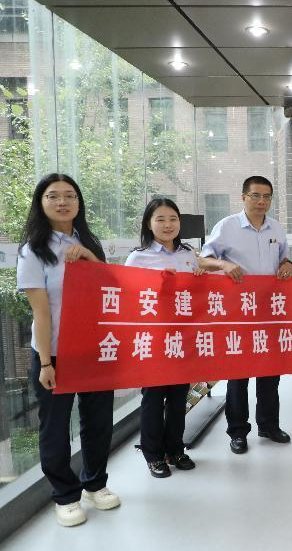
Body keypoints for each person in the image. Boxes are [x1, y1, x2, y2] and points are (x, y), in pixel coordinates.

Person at [17, 174, 121, 527]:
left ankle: (95, 484)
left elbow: (111, 287)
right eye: (53, 196)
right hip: (55, 353)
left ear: (79, 202)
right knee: (56, 427)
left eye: (70, 196)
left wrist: (91, 256)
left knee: (98, 422)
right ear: (41, 203)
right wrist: (46, 362)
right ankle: (65, 495)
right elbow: (41, 313)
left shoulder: (87, 241)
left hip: (94, 348)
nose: (62, 202)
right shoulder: (34, 250)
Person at [199, 176, 292, 454]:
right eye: (256, 196)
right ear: (243, 197)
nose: (261, 201)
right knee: (238, 374)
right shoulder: (227, 226)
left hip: (270, 311)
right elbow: (202, 260)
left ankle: (269, 425)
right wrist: (223, 265)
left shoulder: (276, 227)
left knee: (270, 372)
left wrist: (287, 264)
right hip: (238, 313)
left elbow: (285, 257)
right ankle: (238, 432)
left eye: (267, 196)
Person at [125, 198, 204, 478]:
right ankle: (153, 455)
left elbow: (195, 297)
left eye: (173, 219)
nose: (167, 225)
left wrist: (199, 279)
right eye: (160, 219)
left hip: (182, 338)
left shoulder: (188, 254)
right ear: (149, 224)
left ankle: (175, 449)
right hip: (153, 339)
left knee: (179, 397)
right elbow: (129, 299)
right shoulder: (138, 258)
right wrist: (158, 283)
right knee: (153, 398)